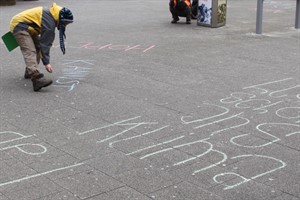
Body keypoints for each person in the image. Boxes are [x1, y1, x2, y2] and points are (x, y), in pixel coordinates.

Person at [9, 3, 73, 91]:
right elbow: (45, 44)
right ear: (61, 18)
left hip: (28, 26)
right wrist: (46, 63)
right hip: (20, 26)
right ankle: (36, 78)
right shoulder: (49, 23)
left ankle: (29, 71)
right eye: (65, 23)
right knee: (30, 50)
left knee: (37, 47)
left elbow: (42, 44)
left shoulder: (53, 14)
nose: (65, 25)